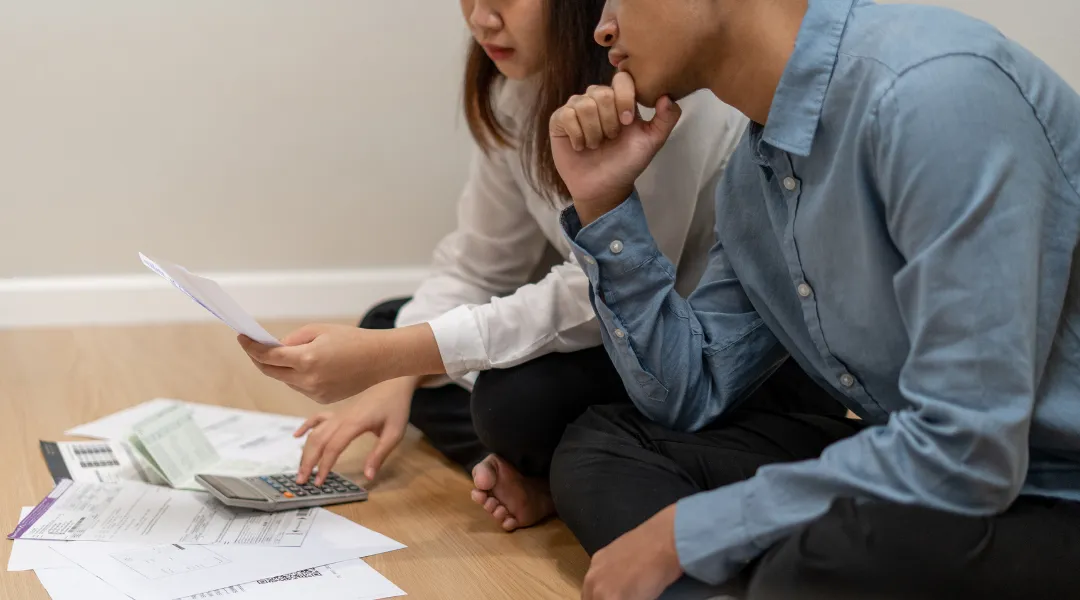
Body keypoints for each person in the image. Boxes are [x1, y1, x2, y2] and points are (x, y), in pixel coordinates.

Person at [543, 0, 1080, 598]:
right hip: (945, 471)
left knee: (814, 563)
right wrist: (605, 203)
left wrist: (688, 533)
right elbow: (690, 394)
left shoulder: (932, 89)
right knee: (603, 446)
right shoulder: (755, 172)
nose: (602, 27)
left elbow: (968, 450)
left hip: (1047, 486)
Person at [240, 0, 842, 533]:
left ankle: (554, 469)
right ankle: (542, 466)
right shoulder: (517, 90)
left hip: (696, 352)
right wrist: (394, 372)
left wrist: (394, 358)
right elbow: (478, 263)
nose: (481, 17)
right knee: (393, 322)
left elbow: (604, 296)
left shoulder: (660, 93)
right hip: (635, 342)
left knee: (508, 402)